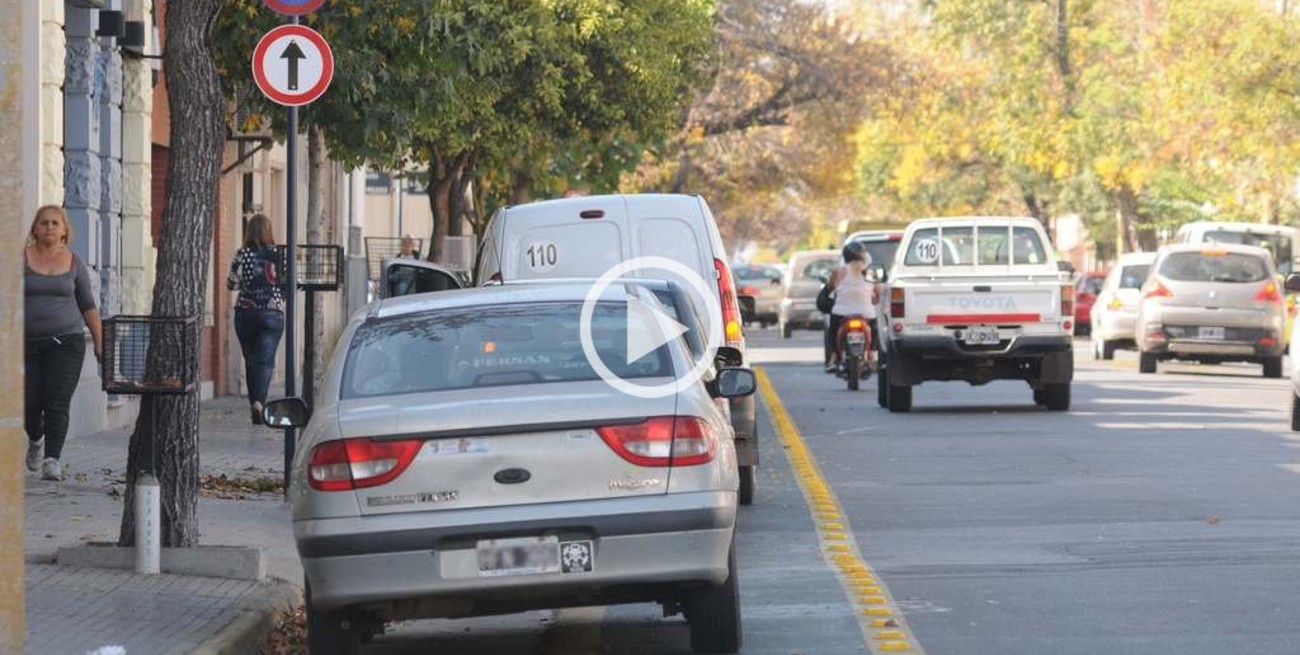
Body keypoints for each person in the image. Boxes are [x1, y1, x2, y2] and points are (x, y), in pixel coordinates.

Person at [24, 205, 103, 481]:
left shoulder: (74, 263)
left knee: (56, 401)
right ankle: (36, 440)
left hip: (66, 342)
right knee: (29, 403)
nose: (49, 227)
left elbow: (88, 305)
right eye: (44, 222)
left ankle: (52, 459)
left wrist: (100, 341)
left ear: (64, 230)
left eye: (55, 223)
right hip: (26, 344)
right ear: (35, 228)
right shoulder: (20, 259)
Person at [227, 214, 285, 425]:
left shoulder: (242, 254)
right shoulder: (278, 255)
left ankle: (255, 404)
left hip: (246, 312)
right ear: (268, 231)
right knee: (265, 362)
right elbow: (287, 284)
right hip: (272, 312)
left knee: (251, 361)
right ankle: (259, 403)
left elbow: (231, 284)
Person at [824, 241, 878, 374]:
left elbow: (830, 289)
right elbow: (878, 293)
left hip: (841, 312)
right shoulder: (870, 273)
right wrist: (874, 298)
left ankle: (833, 357)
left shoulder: (839, 272)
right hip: (866, 313)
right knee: (875, 329)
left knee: (832, 331)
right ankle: (872, 355)